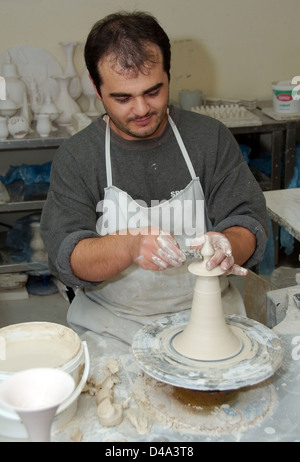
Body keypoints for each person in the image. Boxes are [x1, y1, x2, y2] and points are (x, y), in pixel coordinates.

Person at [40, 11, 269, 343]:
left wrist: (228, 244)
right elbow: (68, 257)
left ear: (168, 75)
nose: (142, 109)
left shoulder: (209, 139)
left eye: (153, 91)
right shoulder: (78, 156)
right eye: (122, 97)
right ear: (95, 86)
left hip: (210, 318)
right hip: (112, 325)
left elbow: (249, 223)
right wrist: (130, 245)